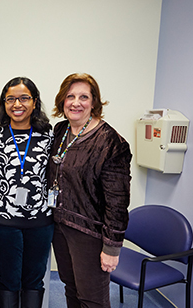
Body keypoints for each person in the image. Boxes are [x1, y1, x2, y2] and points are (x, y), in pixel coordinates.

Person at [47, 73, 132, 308]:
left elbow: (118, 200)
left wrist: (112, 248)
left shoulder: (111, 143)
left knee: (92, 299)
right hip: (60, 226)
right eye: (70, 96)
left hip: (90, 233)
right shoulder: (61, 131)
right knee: (71, 288)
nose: (76, 102)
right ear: (62, 101)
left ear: (94, 102)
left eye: (84, 97)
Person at [0, 77, 54, 308]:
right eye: (11, 99)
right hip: (3, 222)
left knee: (34, 281)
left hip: (40, 221)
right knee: (8, 279)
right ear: (4, 103)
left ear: (34, 102)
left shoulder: (49, 136)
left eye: (24, 98)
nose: (17, 104)